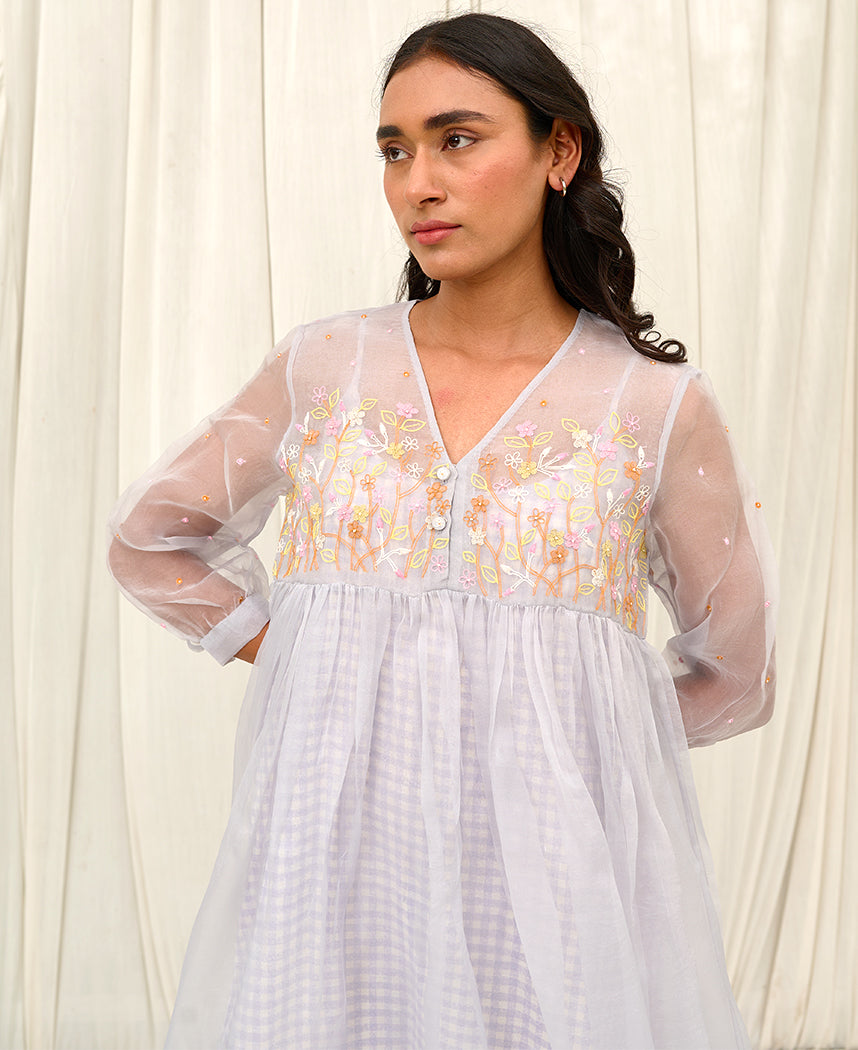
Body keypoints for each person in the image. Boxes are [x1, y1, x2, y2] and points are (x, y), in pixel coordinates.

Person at [108, 13, 776, 1049]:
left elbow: (738, 673)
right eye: (395, 150)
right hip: (336, 872)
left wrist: (570, 726)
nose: (418, 183)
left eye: (457, 140)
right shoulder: (326, 367)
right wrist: (306, 655)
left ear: (559, 151)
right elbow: (149, 537)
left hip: (551, 892)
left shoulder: (652, 405)